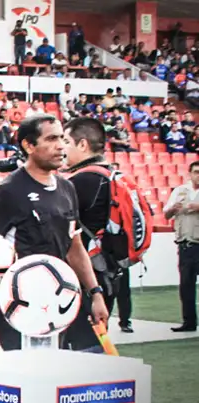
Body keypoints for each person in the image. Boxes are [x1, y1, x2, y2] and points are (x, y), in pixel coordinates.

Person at [0, 114, 109, 351]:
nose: (60, 146)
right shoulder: (7, 192)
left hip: (58, 299)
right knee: (24, 378)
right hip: (19, 303)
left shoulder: (67, 188)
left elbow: (74, 247)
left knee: (53, 375)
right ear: (28, 145)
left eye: (63, 139)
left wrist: (95, 293)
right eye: (52, 139)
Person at [63, 117, 134, 341]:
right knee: (94, 341)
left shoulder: (81, 181)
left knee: (79, 349)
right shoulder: (111, 175)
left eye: (66, 141)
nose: (61, 147)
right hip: (107, 271)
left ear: (82, 145)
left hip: (85, 276)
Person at [163, 161, 199, 333]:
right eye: (196, 172)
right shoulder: (179, 191)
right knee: (186, 285)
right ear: (190, 173)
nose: (198, 175)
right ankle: (189, 322)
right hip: (185, 244)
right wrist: (173, 209)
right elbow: (166, 214)